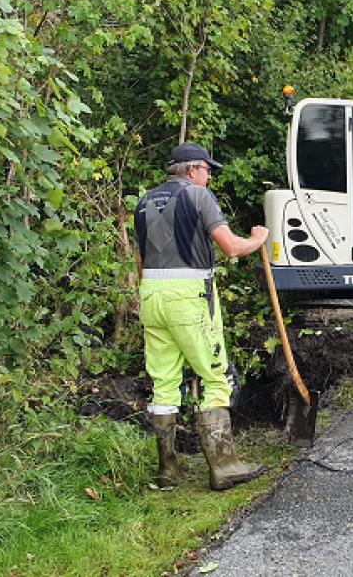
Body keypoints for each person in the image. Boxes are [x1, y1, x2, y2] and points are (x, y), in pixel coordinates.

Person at [134, 142, 269, 490]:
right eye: (208, 170)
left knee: (164, 382)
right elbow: (232, 248)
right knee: (215, 375)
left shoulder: (144, 201)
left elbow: (140, 261)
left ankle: (167, 472)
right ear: (193, 169)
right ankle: (224, 466)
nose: (209, 177)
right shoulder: (197, 196)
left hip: (150, 295)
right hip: (189, 297)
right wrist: (258, 238)